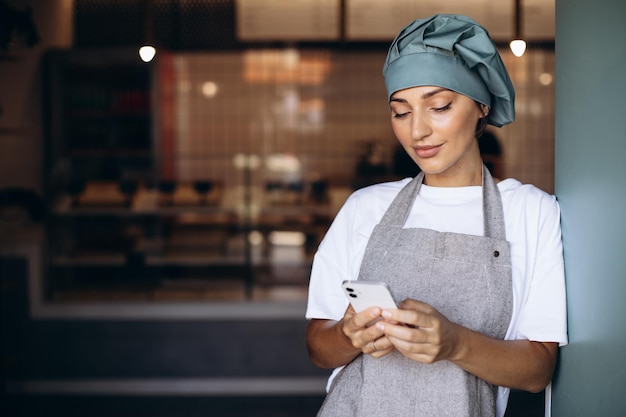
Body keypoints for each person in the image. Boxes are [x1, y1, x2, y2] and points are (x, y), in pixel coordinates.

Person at [305, 14, 567, 417]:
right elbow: (319, 349)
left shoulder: (531, 211)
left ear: (481, 106)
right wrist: (348, 334)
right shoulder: (364, 207)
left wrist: (455, 344)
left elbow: (537, 370)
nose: (417, 131)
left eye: (439, 106)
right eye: (401, 112)